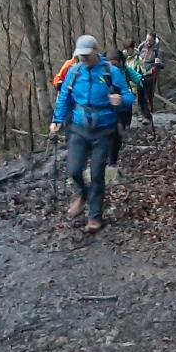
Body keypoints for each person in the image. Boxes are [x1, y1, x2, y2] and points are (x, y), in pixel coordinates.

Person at [50, 35, 135, 233]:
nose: (84, 60)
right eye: (81, 56)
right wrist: (57, 120)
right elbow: (65, 97)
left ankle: (95, 216)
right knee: (73, 169)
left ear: (96, 51)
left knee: (97, 173)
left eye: (87, 56)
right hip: (79, 128)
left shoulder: (110, 72)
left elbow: (128, 96)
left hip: (104, 129)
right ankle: (83, 193)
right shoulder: (74, 71)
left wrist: (120, 100)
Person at [106, 49, 144, 180]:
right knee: (113, 134)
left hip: (124, 107)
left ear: (121, 62)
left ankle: (112, 161)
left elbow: (136, 77)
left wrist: (143, 81)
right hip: (109, 111)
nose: (114, 67)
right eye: (111, 64)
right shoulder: (102, 73)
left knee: (119, 134)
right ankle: (110, 161)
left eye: (116, 64)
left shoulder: (125, 70)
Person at [135, 32, 163, 124]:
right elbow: (135, 55)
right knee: (140, 95)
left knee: (147, 95)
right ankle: (142, 114)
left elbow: (162, 64)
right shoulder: (141, 46)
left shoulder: (158, 49)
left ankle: (147, 116)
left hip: (150, 74)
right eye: (147, 39)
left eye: (150, 40)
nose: (148, 42)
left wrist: (158, 63)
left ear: (154, 40)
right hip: (139, 73)